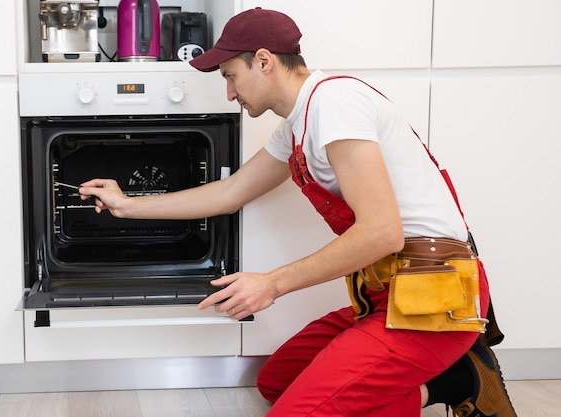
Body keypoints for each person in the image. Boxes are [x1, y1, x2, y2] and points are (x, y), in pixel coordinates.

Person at [79, 8, 517, 417]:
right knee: (275, 383)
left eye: (231, 76)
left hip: (433, 298)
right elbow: (231, 191)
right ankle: (449, 377)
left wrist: (271, 283)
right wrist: (127, 205)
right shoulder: (297, 123)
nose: (229, 93)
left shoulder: (335, 101)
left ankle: (453, 380)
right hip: (383, 294)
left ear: (264, 61)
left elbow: (383, 232)